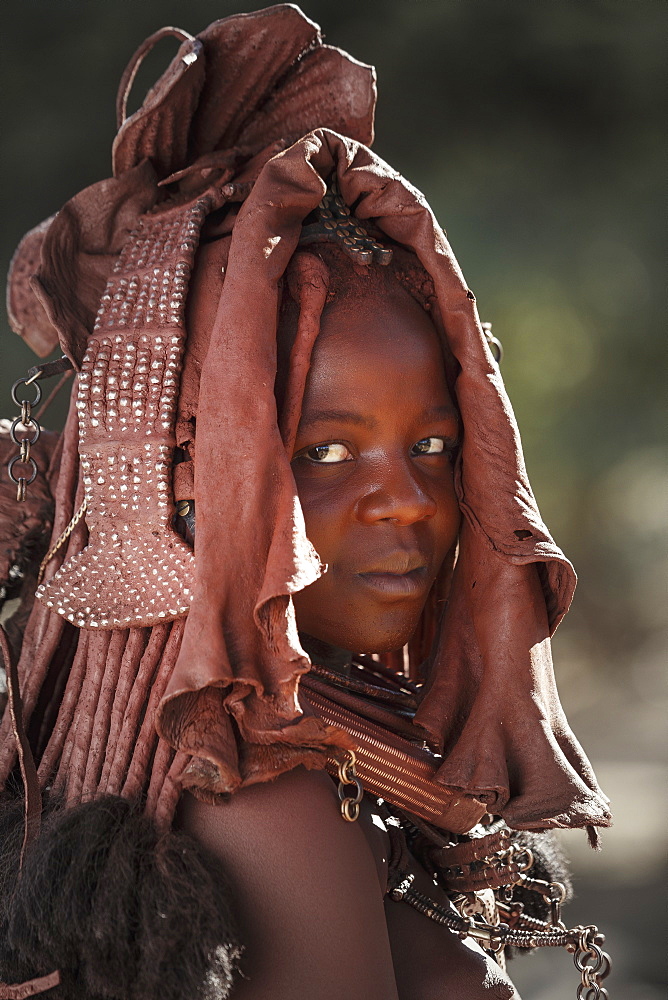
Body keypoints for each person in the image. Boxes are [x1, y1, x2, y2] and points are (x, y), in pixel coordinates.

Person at [0, 7, 611, 999]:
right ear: (182, 490)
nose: (407, 503)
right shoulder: (271, 799)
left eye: (432, 446)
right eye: (323, 450)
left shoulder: (340, 758)